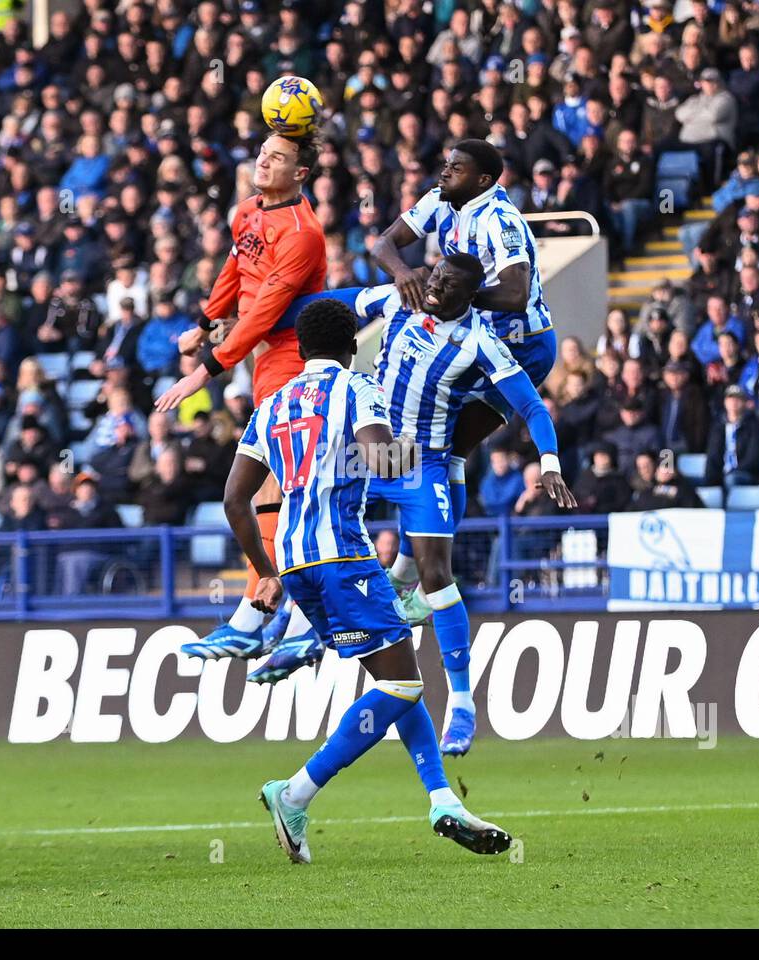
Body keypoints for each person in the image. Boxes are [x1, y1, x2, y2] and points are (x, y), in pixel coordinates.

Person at [223, 297, 510, 863]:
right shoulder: (359, 389)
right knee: (402, 686)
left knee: (396, 674)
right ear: (354, 344)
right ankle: (296, 792)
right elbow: (385, 461)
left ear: (300, 349)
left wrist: (264, 569)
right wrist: (433, 451)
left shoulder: (274, 402)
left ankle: (441, 798)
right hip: (345, 559)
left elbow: (235, 497)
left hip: (297, 563)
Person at [261, 254, 575, 758]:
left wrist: (551, 460)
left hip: (420, 464)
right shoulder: (400, 298)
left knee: (436, 575)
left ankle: (462, 705)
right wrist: (259, 318)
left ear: (468, 295)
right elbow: (330, 304)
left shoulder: (479, 341)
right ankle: (294, 628)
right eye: (433, 275)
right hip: (371, 448)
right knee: (314, 522)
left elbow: (532, 405)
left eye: (447, 282)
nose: (433, 285)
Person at [155, 131, 328, 664]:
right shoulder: (246, 212)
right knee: (262, 496)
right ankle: (273, 612)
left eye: (278, 157)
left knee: (287, 492)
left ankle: (283, 615)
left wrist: (204, 370)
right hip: (264, 364)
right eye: (262, 153)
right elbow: (234, 277)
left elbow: (263, 312)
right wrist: (204, 323)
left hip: (298, 361)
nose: (264, 162)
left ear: (301, 172)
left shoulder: (303, 234)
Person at [371, 139, 558, 557]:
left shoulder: (501, 220)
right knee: (430, 448)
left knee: (446, 451)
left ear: (483, 180)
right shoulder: (441, 198)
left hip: (521, 344)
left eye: (456, 168)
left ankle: (419, 573)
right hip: (470, 338)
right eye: (447, 163)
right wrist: (405, 275)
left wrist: (452, 295)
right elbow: (382, 244)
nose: (444, 172)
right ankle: (414, 570)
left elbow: (514, 292)